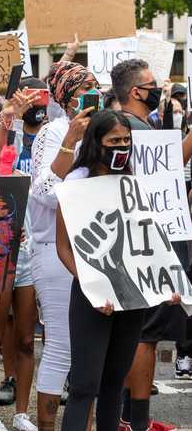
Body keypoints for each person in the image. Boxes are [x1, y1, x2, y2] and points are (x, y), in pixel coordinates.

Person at [55, 110, 152, 431]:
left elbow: (149, 242)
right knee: (84, 385)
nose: (122, 147)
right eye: (114, 141)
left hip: (131, 295)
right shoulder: (76, 181)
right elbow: (64, 248)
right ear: (97, 143)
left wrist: (163, 284)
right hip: (91, 297)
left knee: (114, 382)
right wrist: (90, 285)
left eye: (126, 140)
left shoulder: (133, 181)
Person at [110, 59, 192, 431]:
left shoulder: (132, 126)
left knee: (139, 332)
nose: (157, 87)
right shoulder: (132, 128)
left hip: (143, 242)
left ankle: (129, 416)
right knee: (145, 335)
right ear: (135, 91)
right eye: (151, 83)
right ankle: (135, 420)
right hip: (149, 244)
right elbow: (170, 169)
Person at [28, 61, 100, 431]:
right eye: (83, 91)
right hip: (54, 249)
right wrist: (71, 141)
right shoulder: (52, 133)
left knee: (89, 348)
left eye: (95, 88)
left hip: (94, 246)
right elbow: (43, 193)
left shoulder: (105, 131)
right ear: (65, 99)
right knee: (62, 345)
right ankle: (47, 425)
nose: (93, 96)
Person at [0, 77, 47, 431]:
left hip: (29, 253)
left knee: (25, 338)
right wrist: (9, 118)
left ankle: (22, 412)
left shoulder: (45, 143)